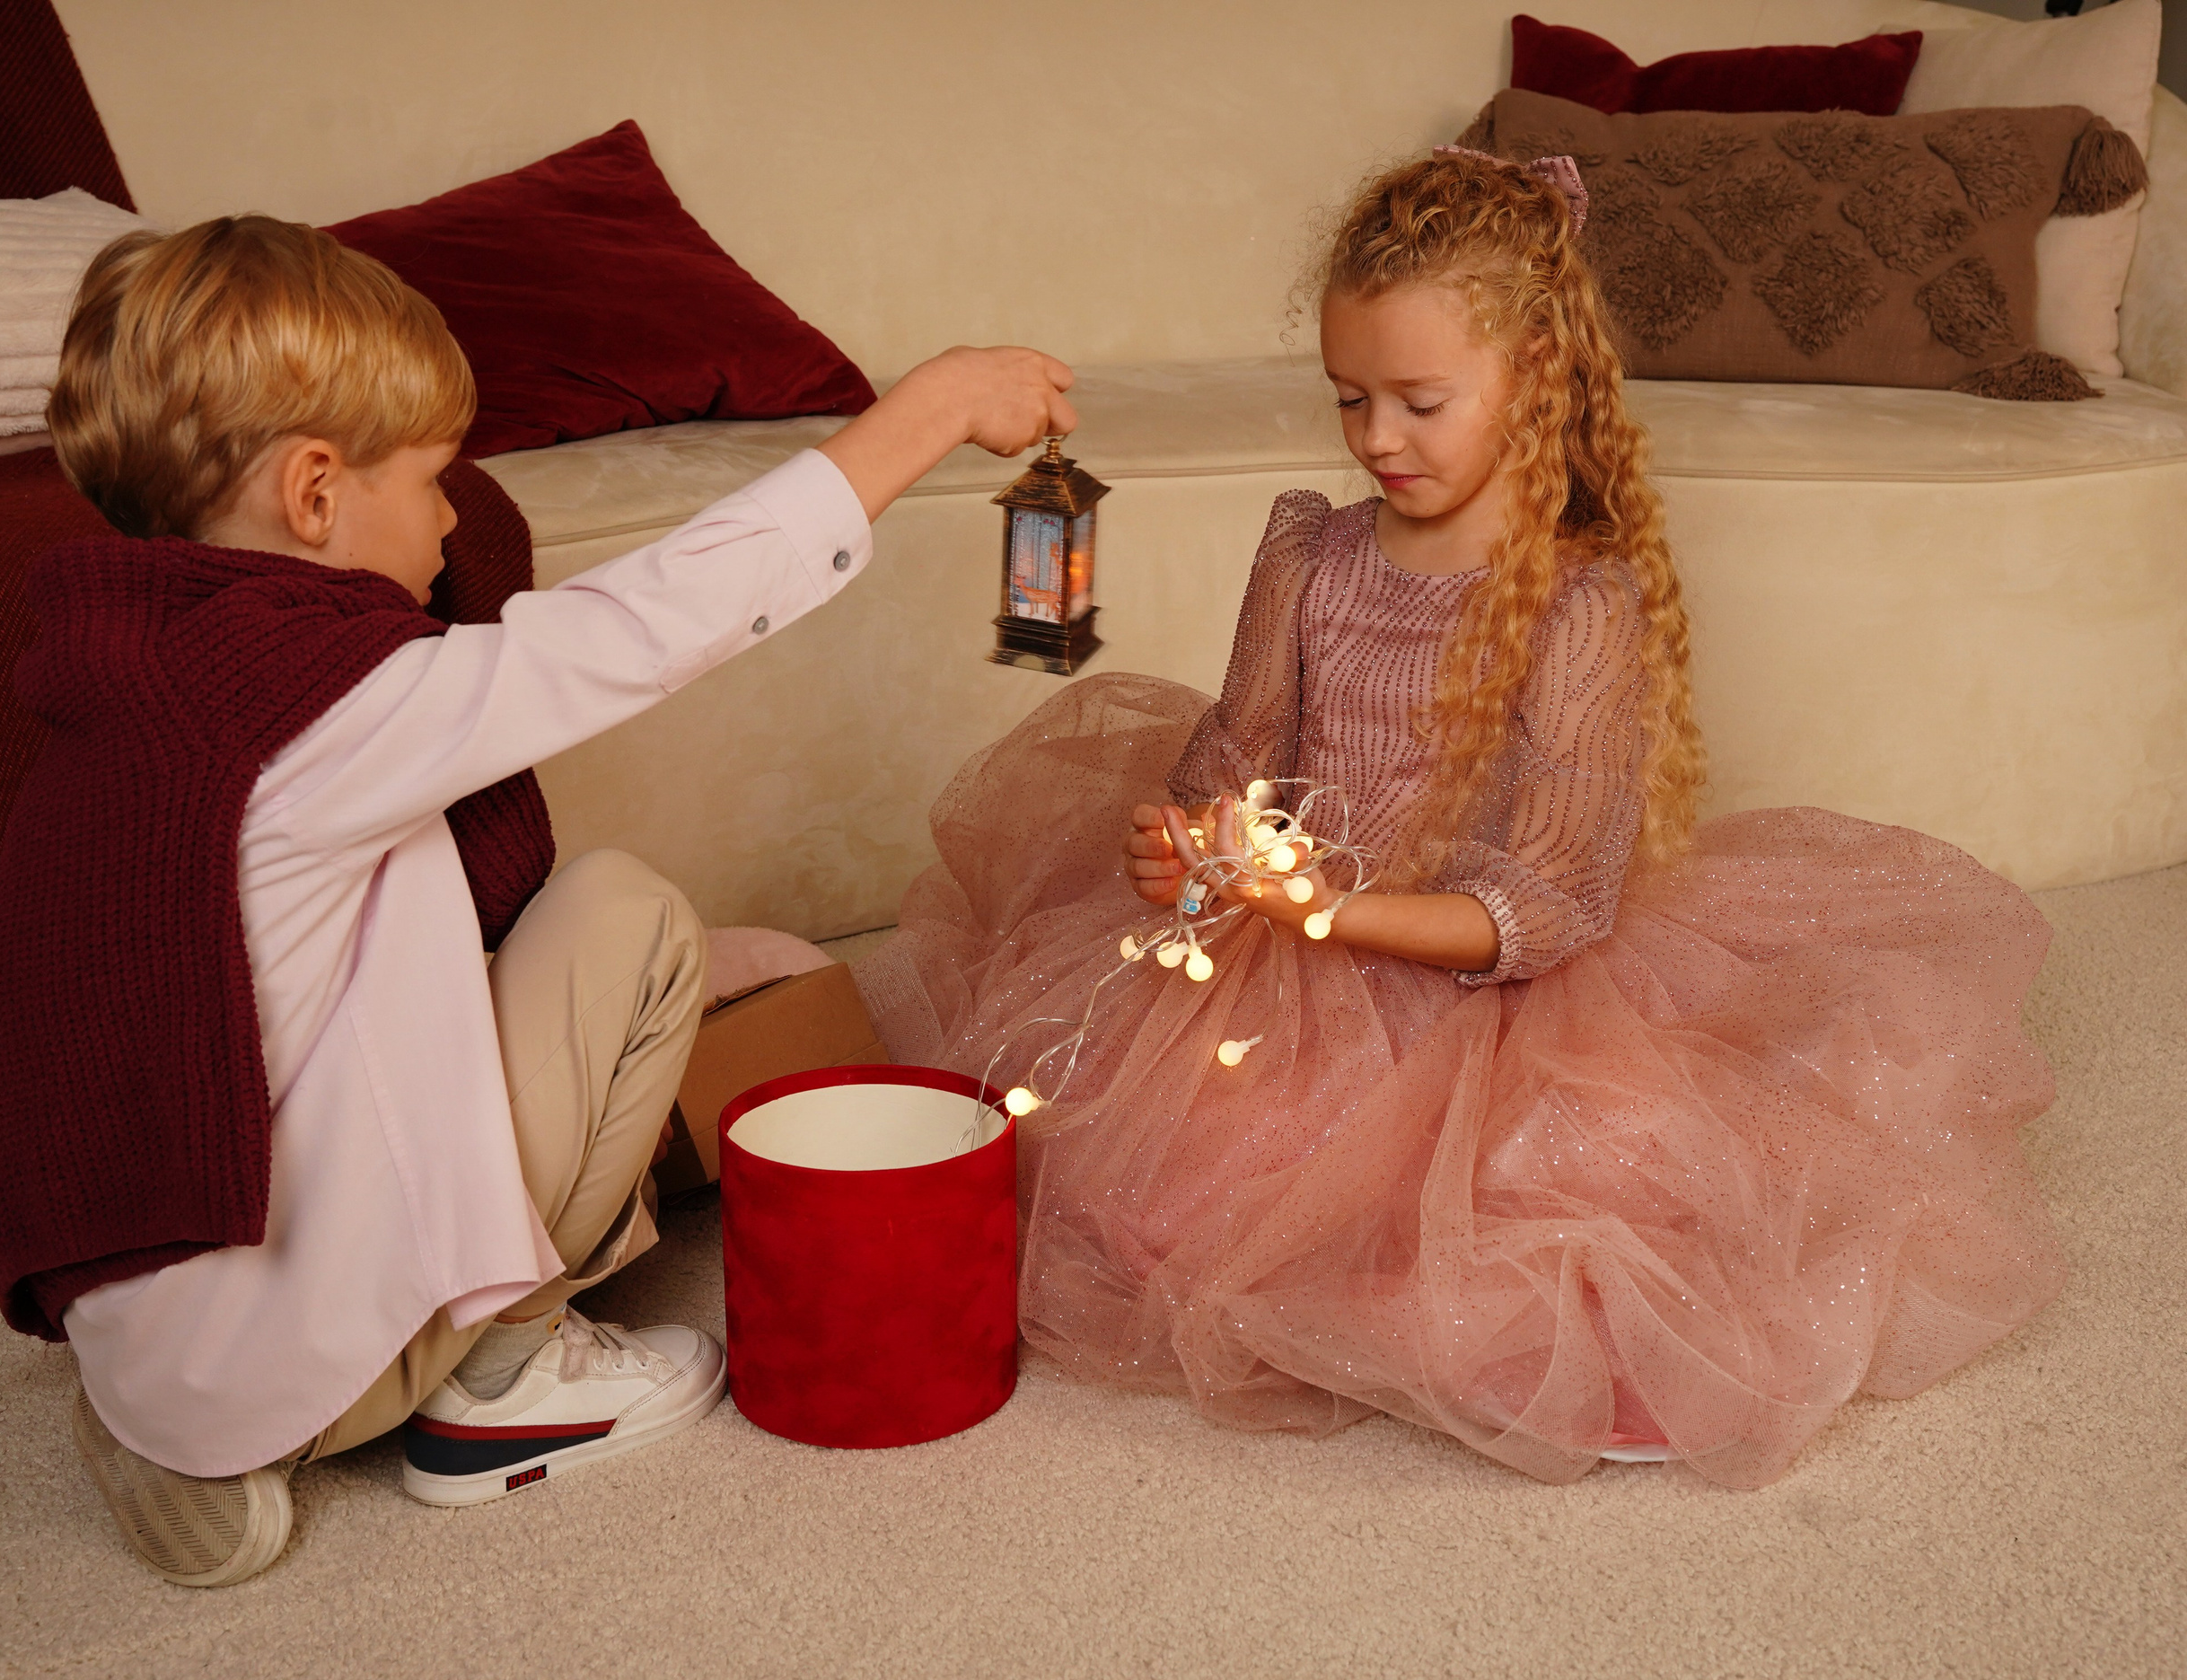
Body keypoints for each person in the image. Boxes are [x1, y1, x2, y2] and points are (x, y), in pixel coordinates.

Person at [853, 150, 2066, 1489]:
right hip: (1285, 959)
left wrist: (1328, 908)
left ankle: (1496, 1327)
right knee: (1127, 1179)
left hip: (1482, 981)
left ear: (1536, 373)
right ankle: (1359, 1278)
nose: (1377, 439)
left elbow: (1548, 904)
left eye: (1420, 402)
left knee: (1585, 1185)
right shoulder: (1314, 551)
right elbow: (1237, 755)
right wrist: (1188, 850)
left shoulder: (1575, 601)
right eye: (1351, 399)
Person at [0, 215, 1075, 1586]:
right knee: (628, 917)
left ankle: (173, 1423)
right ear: (314, 495)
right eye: (433, 478)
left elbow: (336, 972)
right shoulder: (320, 710)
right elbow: (636, 632)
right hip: (280, 1362)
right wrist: (923, 414)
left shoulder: (136, 687)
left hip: (149, 1335)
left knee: (648, 949)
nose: (453, 515)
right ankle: (499, 1384)